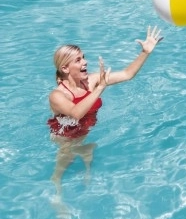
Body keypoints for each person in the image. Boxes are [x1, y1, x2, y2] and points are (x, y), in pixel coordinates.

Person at [47, 25, 163, 199]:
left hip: (84, 131)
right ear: (65, 69)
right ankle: (56, 197)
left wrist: (146, 52)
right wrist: (100, 87)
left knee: (84, 156)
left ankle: (84, 150)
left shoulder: (92, 80)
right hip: (66, 139)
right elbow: (76, 113)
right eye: (78, 60)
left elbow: (127, 74)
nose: (85, 62)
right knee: (60, 172)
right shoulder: (57, 95)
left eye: (84, 57)